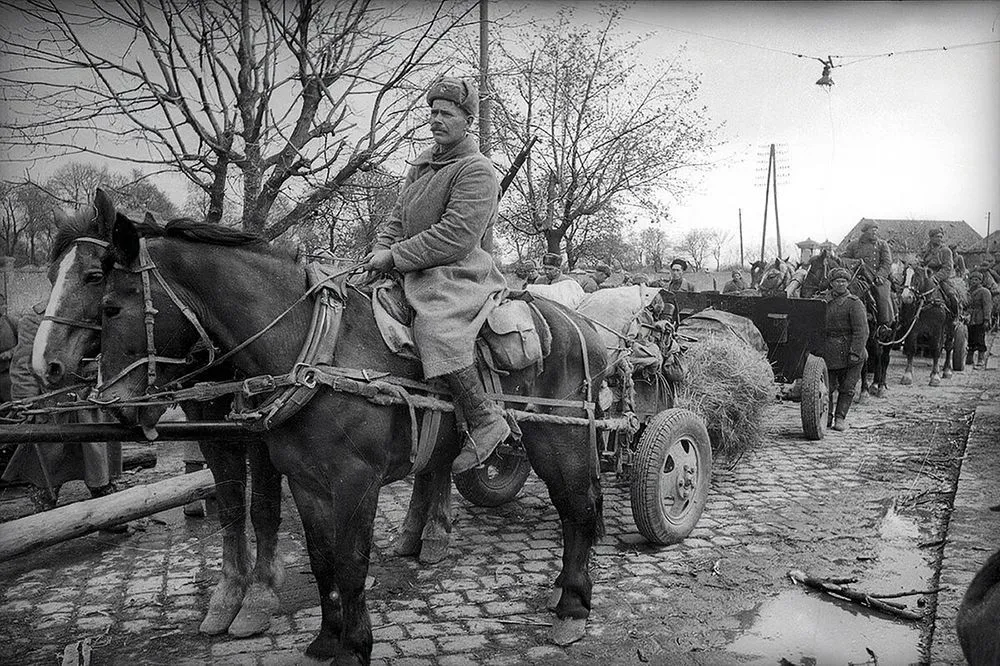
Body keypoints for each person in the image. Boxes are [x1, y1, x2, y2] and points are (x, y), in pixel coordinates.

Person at [365, 76, 509, 474]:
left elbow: (455, 237)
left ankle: (484, 418)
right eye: (432, 112)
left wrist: (394, 256)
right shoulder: (422, 164)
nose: (436, 120)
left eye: (446, 113)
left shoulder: (477, 170)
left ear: (468, 121)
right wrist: (378, 252)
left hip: (456, 272)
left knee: (434, 327)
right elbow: (397, 219)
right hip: (411, 266)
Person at [2, 298, 125, 525]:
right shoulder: (36, 318)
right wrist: (27, 403)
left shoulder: (97, 312)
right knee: (45, 477)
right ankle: (43, 522)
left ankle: (109, 516)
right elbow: (23, 366)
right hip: (51, 407)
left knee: (100, 471)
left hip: (90, 404)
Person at [823, 267, 869, 432]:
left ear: (848, 283)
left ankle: (840, 417)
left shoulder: (854, 303)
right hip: (829, 350)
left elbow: (862, 331)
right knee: (827, 387)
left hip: (850, 349)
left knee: (848, 387)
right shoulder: (823, 301)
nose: (841, 284)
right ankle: (826, 417)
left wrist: (855, 352)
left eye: (844, 281)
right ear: (831, 283)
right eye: (837, 281)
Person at [840, 220, 895, 327]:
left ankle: (884, 324)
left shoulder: (882, 244)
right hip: (857, 277)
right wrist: (855, 263)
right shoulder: (854, 244)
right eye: (872, 229)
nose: (875, 231)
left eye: (876, 229)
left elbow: (886, 262)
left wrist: (881, 276)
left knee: (882, 296)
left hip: (876, 278)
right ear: (865, 231)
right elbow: (844, 259)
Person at [921, 227, 961, 315]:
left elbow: (947, 268)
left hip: (942, 279)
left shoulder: (946, 251)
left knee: (951, 295)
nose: (939, 239)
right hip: (925, 277)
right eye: (937, 237)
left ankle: (955, 316)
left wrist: (936, 278)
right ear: (931, 238)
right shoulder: (925, 250)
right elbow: (920, 262)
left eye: (941, 237)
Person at [967, 271, 992, 368]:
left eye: (976, 280)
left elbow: (987, 306)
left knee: (980, 338)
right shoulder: (968, 291)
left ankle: (981, 359)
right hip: (970, 317)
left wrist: (986, 319)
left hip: (980, 318)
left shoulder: (984, 292)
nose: (974, 281)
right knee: (971, 338)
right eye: (972, 279)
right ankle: (970, 358)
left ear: (980, 281)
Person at [0, 298, 17, 403]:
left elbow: (24, 345)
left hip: (9, 373)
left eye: (2, 305)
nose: (3, 307)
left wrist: (10, 352)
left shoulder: (11, 322)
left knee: (10, 404)